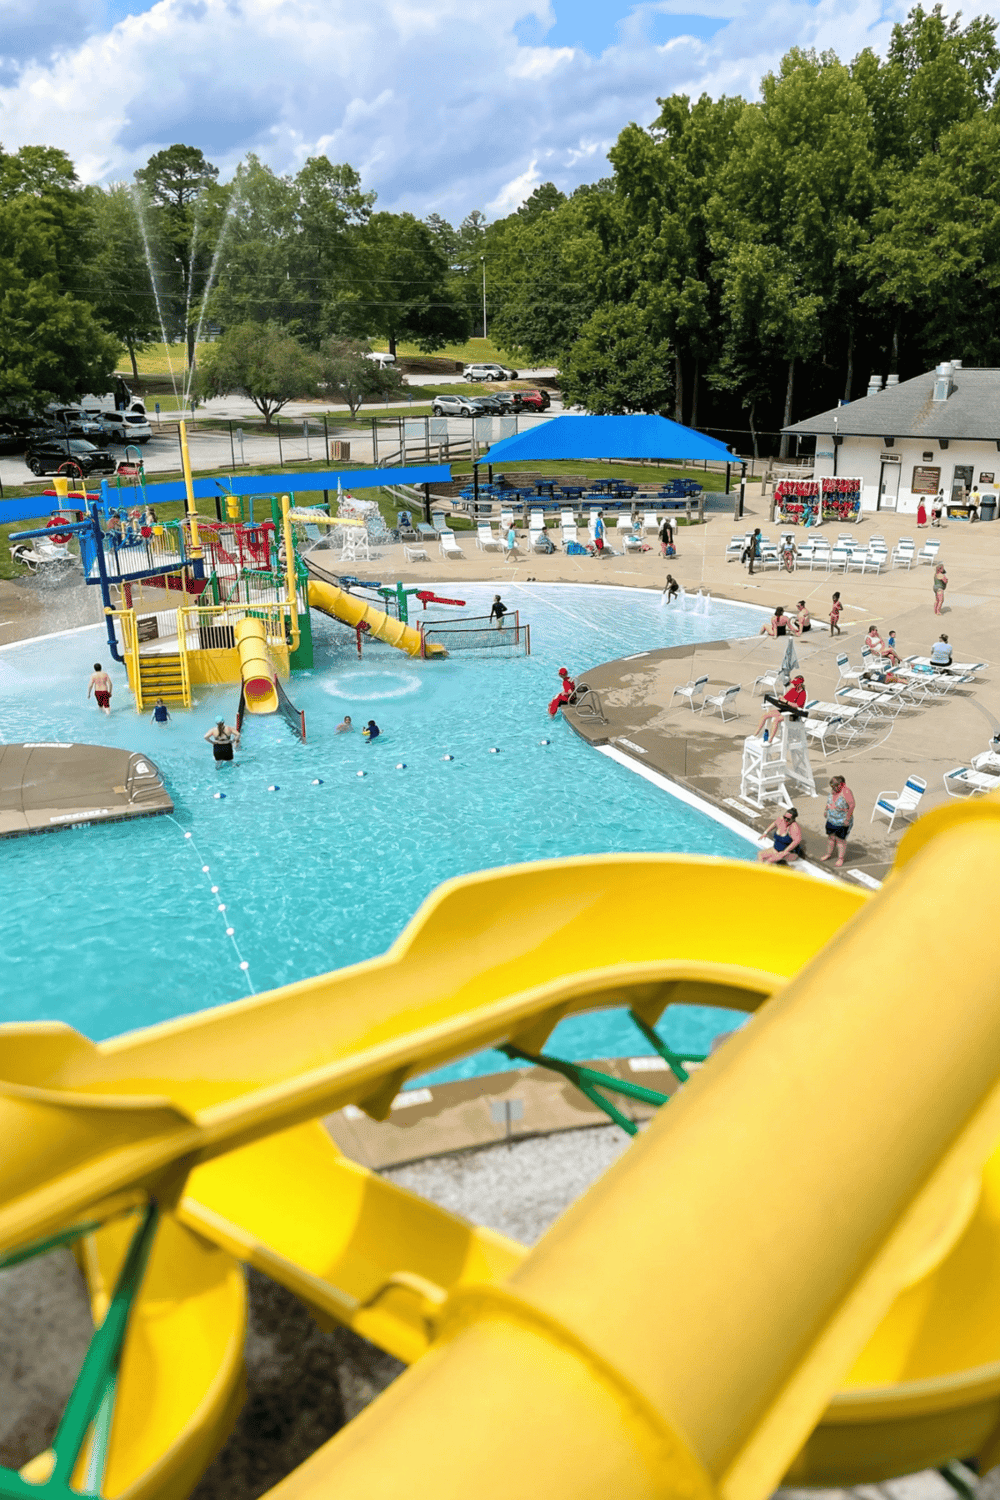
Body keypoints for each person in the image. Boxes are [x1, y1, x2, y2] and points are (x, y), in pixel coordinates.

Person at [754, 675, 807, 743]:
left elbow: (797, 705)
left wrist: (786, 702)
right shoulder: (792, 690)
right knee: (764, 715)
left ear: (800, 684)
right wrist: (781, 698)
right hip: (785, 709)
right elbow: (785, 698)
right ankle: (755, 734)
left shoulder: (802, 693)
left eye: (795, 683)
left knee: (775, 720)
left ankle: (770, 740)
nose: (794, 684)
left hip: (793, 714)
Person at [820, 775, 855, 868]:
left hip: (841, 821)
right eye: (832, 786)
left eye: (835, 786)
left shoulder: (846, 792)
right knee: (831, 838)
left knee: (840, 841)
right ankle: (828, 854)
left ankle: (840, 858)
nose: (833, 788)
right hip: (831, 819)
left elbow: (852, 806)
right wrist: (826, 810)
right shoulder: (834, 789)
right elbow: (829, 802)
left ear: (841, 784)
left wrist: (847, 819)